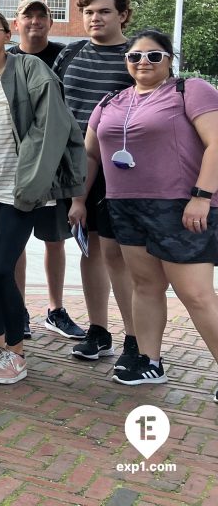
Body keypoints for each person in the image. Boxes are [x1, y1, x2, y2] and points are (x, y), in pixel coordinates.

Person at [75, 30, 218, 395]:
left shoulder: (190, 90)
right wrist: (79, 199)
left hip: (180, 206)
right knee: (145, 285)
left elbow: (216, 141)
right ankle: (149, 361)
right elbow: (91, 155)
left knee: (196, 293)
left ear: (170, 60)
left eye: (154, 56)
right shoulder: (111, 102)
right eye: (135, 56)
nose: (143, 63)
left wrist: (202, 196)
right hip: (125, 205)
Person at [0, 10, 86, 385]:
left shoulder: (30, 70)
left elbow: (52, 128)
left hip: (21, 190)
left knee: (1, 268)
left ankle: (16, 350)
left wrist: (32, 185)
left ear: (5, 34)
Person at [57, 0, 137, 372]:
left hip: (120, 172)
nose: (95, 18)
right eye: (89, 12)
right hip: (74, 167)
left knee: (116, 254)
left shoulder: (135, 56)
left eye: (104, 11)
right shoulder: (71, 53)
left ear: (122, 14)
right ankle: (99, 330)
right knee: (88, 248)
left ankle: (135, 338)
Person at [8, 0, 85, 341]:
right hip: (14, 165)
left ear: (50, 23)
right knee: (15, 243)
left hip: (53, 165)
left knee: (55, 239)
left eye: (42, 16)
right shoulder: (5, 58)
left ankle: (55, 309)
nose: (35, 21)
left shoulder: (66, 57)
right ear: (16, 23)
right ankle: (18, 309)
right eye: (29, 15)